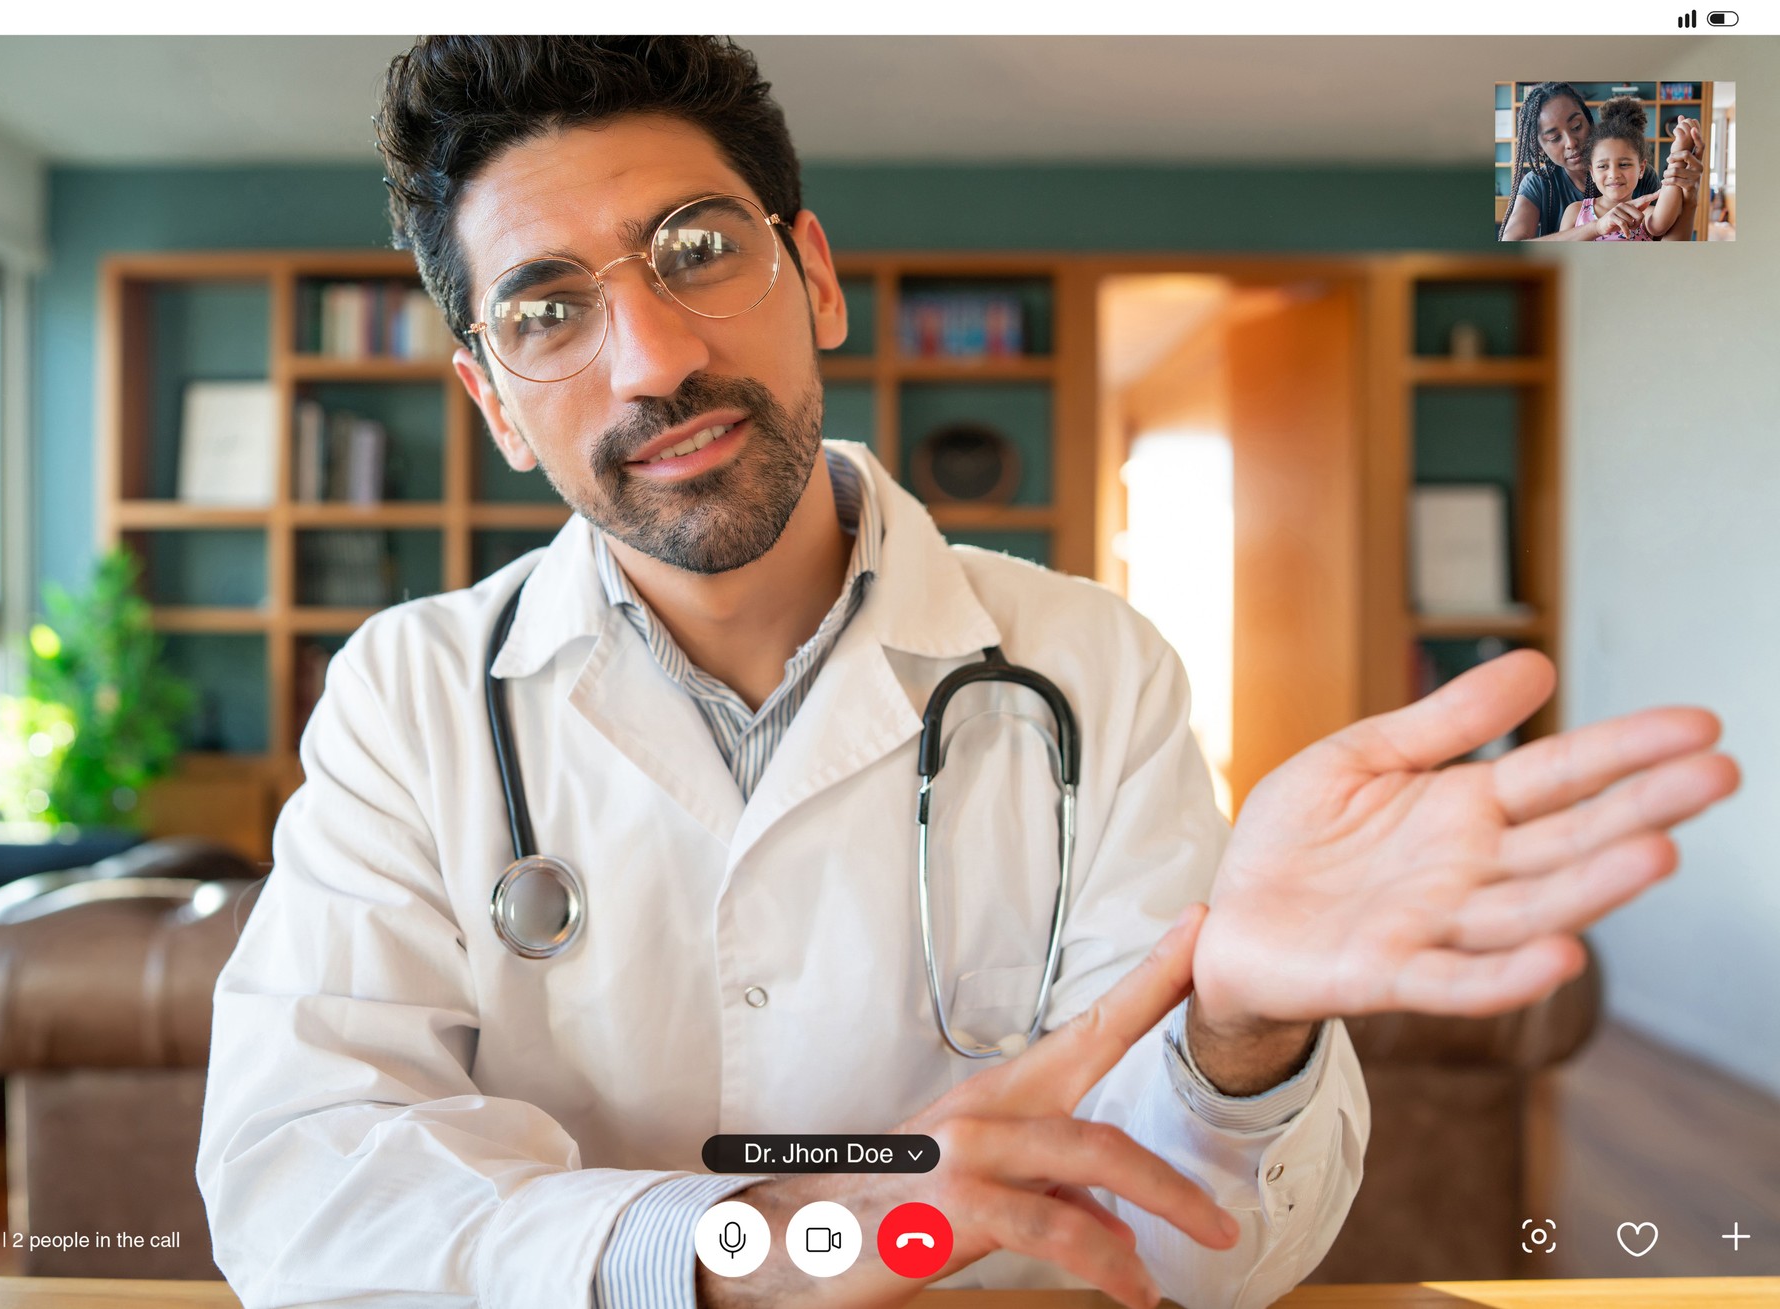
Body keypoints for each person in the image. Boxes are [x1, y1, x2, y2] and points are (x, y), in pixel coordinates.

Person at [196, 37, 1741, 1309]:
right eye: (548, 310)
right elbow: (303, 1194)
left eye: (699, 249)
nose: (653, 357)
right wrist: (774, 1247)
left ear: (814, 277)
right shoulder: (408, 695)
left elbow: (1205, 1255)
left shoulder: (1093, 666)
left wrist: (1240, 1033)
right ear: (496, 406)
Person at [1498, 81, 1704, 241]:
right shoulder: (1539, 183)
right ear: (1539, 146)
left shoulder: (1640, 176)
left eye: (1577, 126)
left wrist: (1688, 193)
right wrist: (1596, 227)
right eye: (1553, 137)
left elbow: (1665, 237)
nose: (1571, 142)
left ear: (1589, 121)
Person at [1557, 98, 1684, 241]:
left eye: (1624, 164)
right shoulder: (1575, 211)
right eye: (1602, 166)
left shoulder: (1644, 215)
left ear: (1641, 169)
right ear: (1592, 172)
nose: (1613, 174)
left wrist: (1678, 156)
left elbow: (1661, 224)